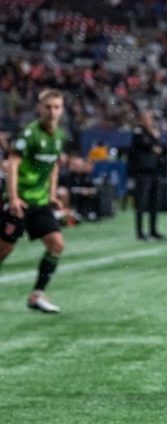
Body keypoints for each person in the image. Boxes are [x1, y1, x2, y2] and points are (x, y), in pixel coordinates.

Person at [0, 89, 68, 313]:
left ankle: (36, 296)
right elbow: (13, 166)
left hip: (40, 203)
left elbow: (54, 166)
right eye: (48, 107)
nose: (52, 111)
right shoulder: (29, 134)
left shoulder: (58, 137)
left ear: (62, 109)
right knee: (4, 250)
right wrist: (13, 198)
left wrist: (52, 195)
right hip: (19, 202)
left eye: (56, 107)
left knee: (56, 245)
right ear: (39, 108)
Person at [128, 109, 167, 240]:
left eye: (151, 118)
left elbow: (161, 147)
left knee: (154, 202)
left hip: (154, 170)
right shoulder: (138, 131)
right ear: (142, 119)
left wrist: (154, 143)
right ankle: (140, 232)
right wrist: (153, 143)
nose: (150, 121)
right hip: (142, 172)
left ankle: (153, 230)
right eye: (147, 118)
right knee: (141, 202)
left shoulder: (153, 132)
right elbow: (144, 144)